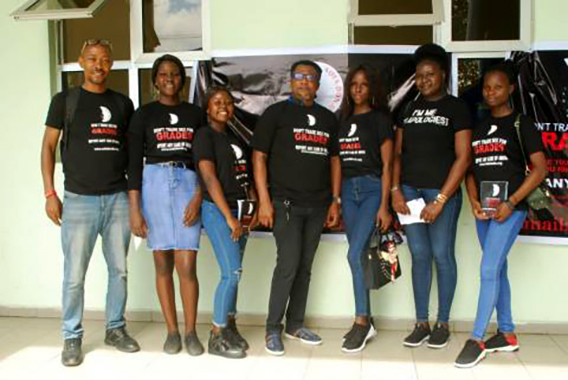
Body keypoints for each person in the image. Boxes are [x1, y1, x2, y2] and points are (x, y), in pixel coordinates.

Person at [40, 39, 139, 367]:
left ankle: (115, 328)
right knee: (74, 275)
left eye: (106, 60)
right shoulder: (65, 101)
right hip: (78, 200)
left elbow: (131, 152)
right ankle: (71, 336)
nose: (99, 65)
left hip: (117, 199)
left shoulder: (123, 104)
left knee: (120, 270)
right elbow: (48, 148)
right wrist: (50, 194)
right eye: (93, 59)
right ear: (82, 61)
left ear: (112, 65)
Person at [455, 63, 547, 368]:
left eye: (497, 87)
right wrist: (473, 201)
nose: (490, 92)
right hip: (485, 211)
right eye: (486, 87)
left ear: (509, 89)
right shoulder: (480, 127)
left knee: (488, 268)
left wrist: (513, 201)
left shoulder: (522, 124)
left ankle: (477, 338)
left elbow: (540, 169)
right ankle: (507, 334)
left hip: (511, 209)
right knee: (498, 269)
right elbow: (470, 171)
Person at [251, 60, 341, 356]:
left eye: (310, 78)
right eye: (299, 77)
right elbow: (259, 157)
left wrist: (335, 200)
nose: (304, 82)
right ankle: (272, 328)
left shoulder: (327, 118)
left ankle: (295, 324)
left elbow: (334, 161)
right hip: (284, 204)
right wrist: (264, 200)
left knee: (304, 268)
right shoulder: (276, 114)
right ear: (291, 81)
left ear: (318, 84)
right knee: (288, 265)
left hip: (317, 205)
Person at [392, 43, 472, 348]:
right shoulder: (408, 108)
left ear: (442, 75)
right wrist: (396, 190)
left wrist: (440, 200)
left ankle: (443, 322)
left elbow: (463, 158)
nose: (424, 80)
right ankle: (421, 322)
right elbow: (398, 154)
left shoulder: (456, 107)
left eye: (430, 74)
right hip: (409, 191)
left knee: (442, 255)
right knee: (420, 256)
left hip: (442, 193)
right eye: (420, 75)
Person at [127, 54, 204, 356]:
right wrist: (135, 209)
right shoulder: (143, 115)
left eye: (175, 73)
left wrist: (199, 194)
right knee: (163, 263)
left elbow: (203, 159)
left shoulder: (195, 113)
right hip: (154, 184)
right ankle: (172, 331)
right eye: (163, 73)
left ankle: (191, 331)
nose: (169, 78)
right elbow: (133, 165)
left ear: (182, 80)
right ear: (155, 79)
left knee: (187, 264)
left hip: (187, 183)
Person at [193, 86, 256, 359]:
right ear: (207, 108)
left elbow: (245, 177)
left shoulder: (235, 138)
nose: (224, 106)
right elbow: (209, 179)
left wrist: (250, 209)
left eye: (228, 102)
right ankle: (217, 335)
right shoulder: (204, 136)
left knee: (237, 272)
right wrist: (230, 218)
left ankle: (229, 325)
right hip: (219, 212)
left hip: (240, 211)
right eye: (217, 102)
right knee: (230, 273)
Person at [337, 64, 394, 353]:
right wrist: (336, 198)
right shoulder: (342, 120)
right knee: (358, 255)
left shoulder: (380, 120)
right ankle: (365, 317)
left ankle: (362, 320)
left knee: (354, 252)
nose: (357, 89)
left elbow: (388, 165)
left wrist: (384, 206)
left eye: (363, 84)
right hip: (348, 191)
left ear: (371, 89)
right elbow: (336, 163)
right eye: (353, 84)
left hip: (372, 189)